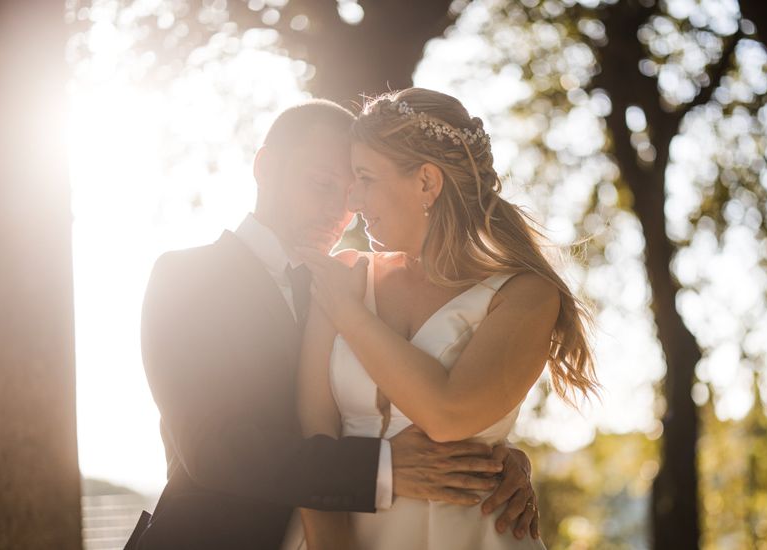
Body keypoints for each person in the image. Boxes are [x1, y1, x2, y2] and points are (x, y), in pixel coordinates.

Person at [127, 99, 539, 550]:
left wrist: (494, 458)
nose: (341, 212)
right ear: (265, 167)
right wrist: (383, 469)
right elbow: (212, 448)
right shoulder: (186, 277)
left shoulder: (348, 285)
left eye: (352, 192)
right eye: (322, 184)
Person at [295, 88, 599, 550]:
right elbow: (312, 432)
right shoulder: (345, 275)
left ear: (426, 183)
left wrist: (348, 313)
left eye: (365, 177)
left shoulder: (526, 295)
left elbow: (447, 415)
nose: (352, 199)